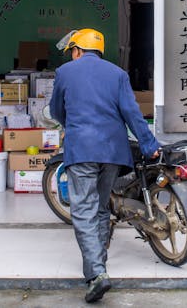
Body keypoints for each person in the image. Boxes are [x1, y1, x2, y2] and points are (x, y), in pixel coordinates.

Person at [49, 28, 160, 303]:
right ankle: (99, 262)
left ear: (77, 50)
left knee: (83, 210)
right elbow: (132, 114)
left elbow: (55, 111)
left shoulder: (65, 72)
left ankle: (97, 274)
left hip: (82, 150)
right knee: (99, 208)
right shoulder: (117, 74)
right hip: (113, 151)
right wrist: (149, 145)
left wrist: (71, 126)